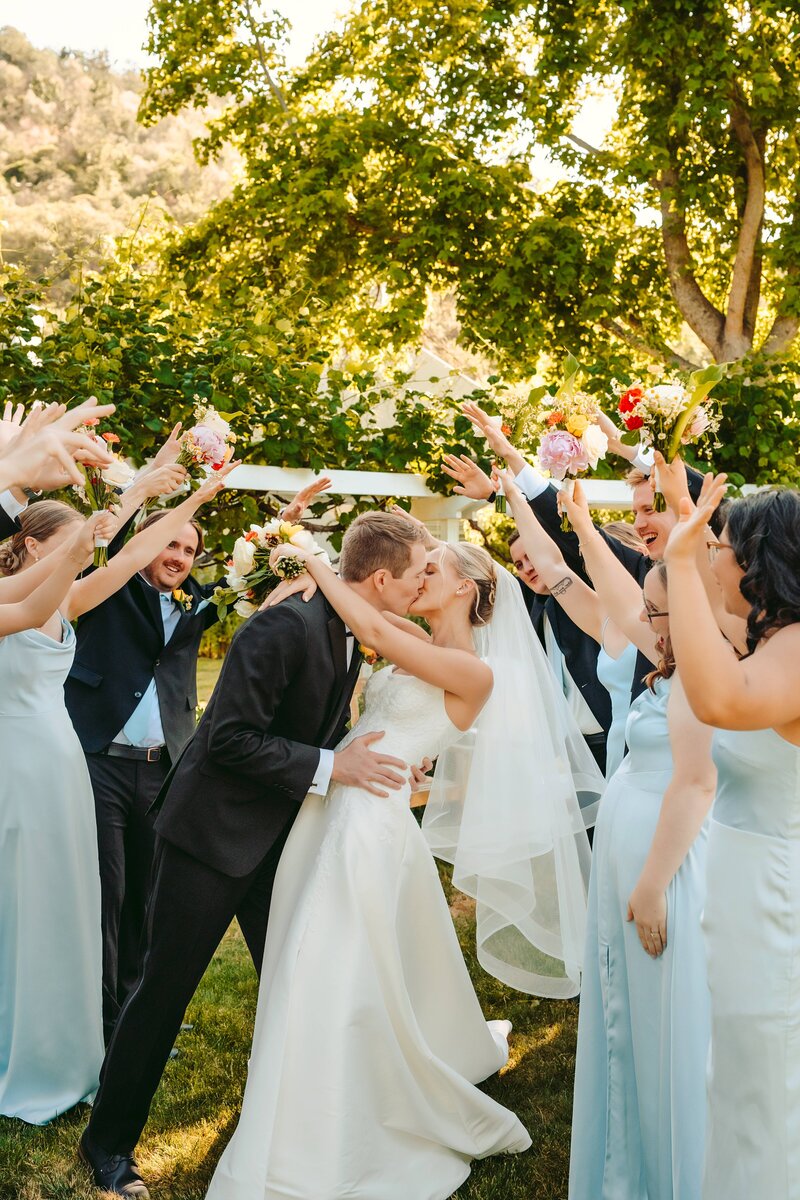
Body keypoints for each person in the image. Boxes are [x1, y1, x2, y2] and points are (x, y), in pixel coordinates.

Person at [202, 520, 603, 1200]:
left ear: (466, 591)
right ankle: (305, 1088)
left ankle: (318, 1121)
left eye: (434, 570)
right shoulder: (421, 642)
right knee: (309, 955)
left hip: (365, 827)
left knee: (326, 964)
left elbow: (378, 635)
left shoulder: (476, 670)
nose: (421, 578)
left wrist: (317, 562)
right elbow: (380, 644)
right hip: (328, 809)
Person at [79, 512, 433, 1199]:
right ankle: (109, 1145)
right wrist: (336, 766)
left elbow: (320, 723)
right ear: (383, 578)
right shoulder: (284, 625)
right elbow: (230, 739)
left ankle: (298, 1131)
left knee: (300, 985)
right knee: (163, 990)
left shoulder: (352, 632)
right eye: (420, 573)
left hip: (282, 841)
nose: (425, 585)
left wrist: (380, 761)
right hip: (210, 836)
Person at [0, 470, 233, 1127]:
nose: (87, 546)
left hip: (60, 765)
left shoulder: (62, 603)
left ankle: (72, 1045)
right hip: (16, 765)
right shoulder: (15, 602)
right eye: (73, 538)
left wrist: (190, 497)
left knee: (63, 909)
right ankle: (24, 1048)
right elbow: (113, 545)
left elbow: (127, 551)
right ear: (35, 544)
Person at [558, 480, 716, 1200]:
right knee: (628, 1027)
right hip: (632, 862)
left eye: (659, 613)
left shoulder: (700, 684)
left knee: (663, 1035)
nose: (647, 625)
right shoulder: (669, 663)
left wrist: (650, 883)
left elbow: (696, 782)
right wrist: (582, 528)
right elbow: (614, 595)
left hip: (666, 870)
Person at [665, 483, 800, 1200]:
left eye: (723, 548)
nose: (714, 560)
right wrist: (681, 543)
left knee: (772, 1088)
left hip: (780, 902)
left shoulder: (797, 651)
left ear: (758, 562)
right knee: (746, 1074)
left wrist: (680, 564)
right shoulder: (774, 638)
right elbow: (707, 624)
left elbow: (718, 699)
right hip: (750, 899)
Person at [502, 473, 639, 779]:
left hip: (617, 743)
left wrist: (510, 495)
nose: (527, 568)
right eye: (519, 564)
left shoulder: (604, 609)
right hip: (574, 749)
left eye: (530, 557)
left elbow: (559, 564)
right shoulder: (546, 608)